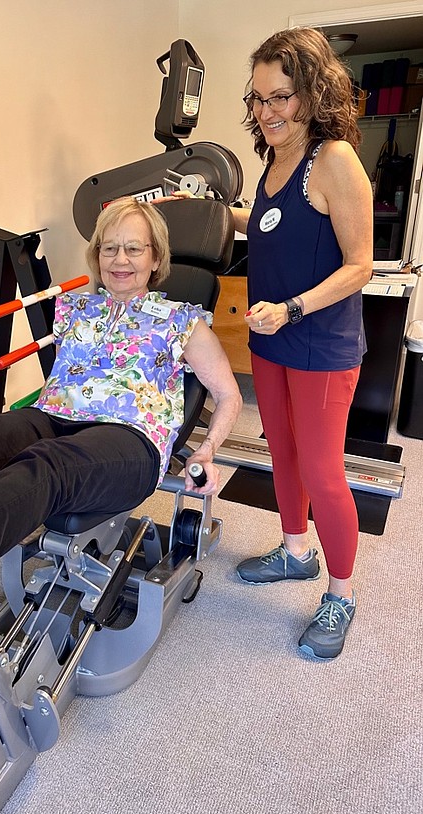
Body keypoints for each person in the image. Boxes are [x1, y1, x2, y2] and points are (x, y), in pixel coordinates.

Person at [0, 196, 242, 589]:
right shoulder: (77, 307)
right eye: (110, 248)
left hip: (131, 437)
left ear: (155, 259)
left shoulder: (182, 320)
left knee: (50, 463)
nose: (120, 260)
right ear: (97, 255)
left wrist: (206, 451)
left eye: (134, 249)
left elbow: (228, 395)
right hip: (53, 416)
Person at [231, 27, 373, 660]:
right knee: (281, 453)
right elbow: (268, 221)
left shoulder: (334, 159)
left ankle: (340, 594)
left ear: (313, 95)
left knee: (322, 468)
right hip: (271, 340)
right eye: (259, 99)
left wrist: (292, 309)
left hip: (317, 343)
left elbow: (361, 264)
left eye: (282, 97)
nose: (268, 112)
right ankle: (295, 552)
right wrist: (206, 208)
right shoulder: (275, 158)